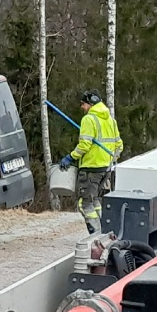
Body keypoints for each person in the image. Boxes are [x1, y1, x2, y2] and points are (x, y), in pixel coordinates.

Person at [60, 88, 123, 231]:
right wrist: (111, 160)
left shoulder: (88, 119)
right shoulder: (111, 121)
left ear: (91, 103)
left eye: (83, 104)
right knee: (95, 201)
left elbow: (84, 145)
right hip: (105, 169)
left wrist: (70, 157)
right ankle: (106, 229)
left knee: (85, 204)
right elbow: (119, 145)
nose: (82, 107)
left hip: (91, 169)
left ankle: (96, 233)